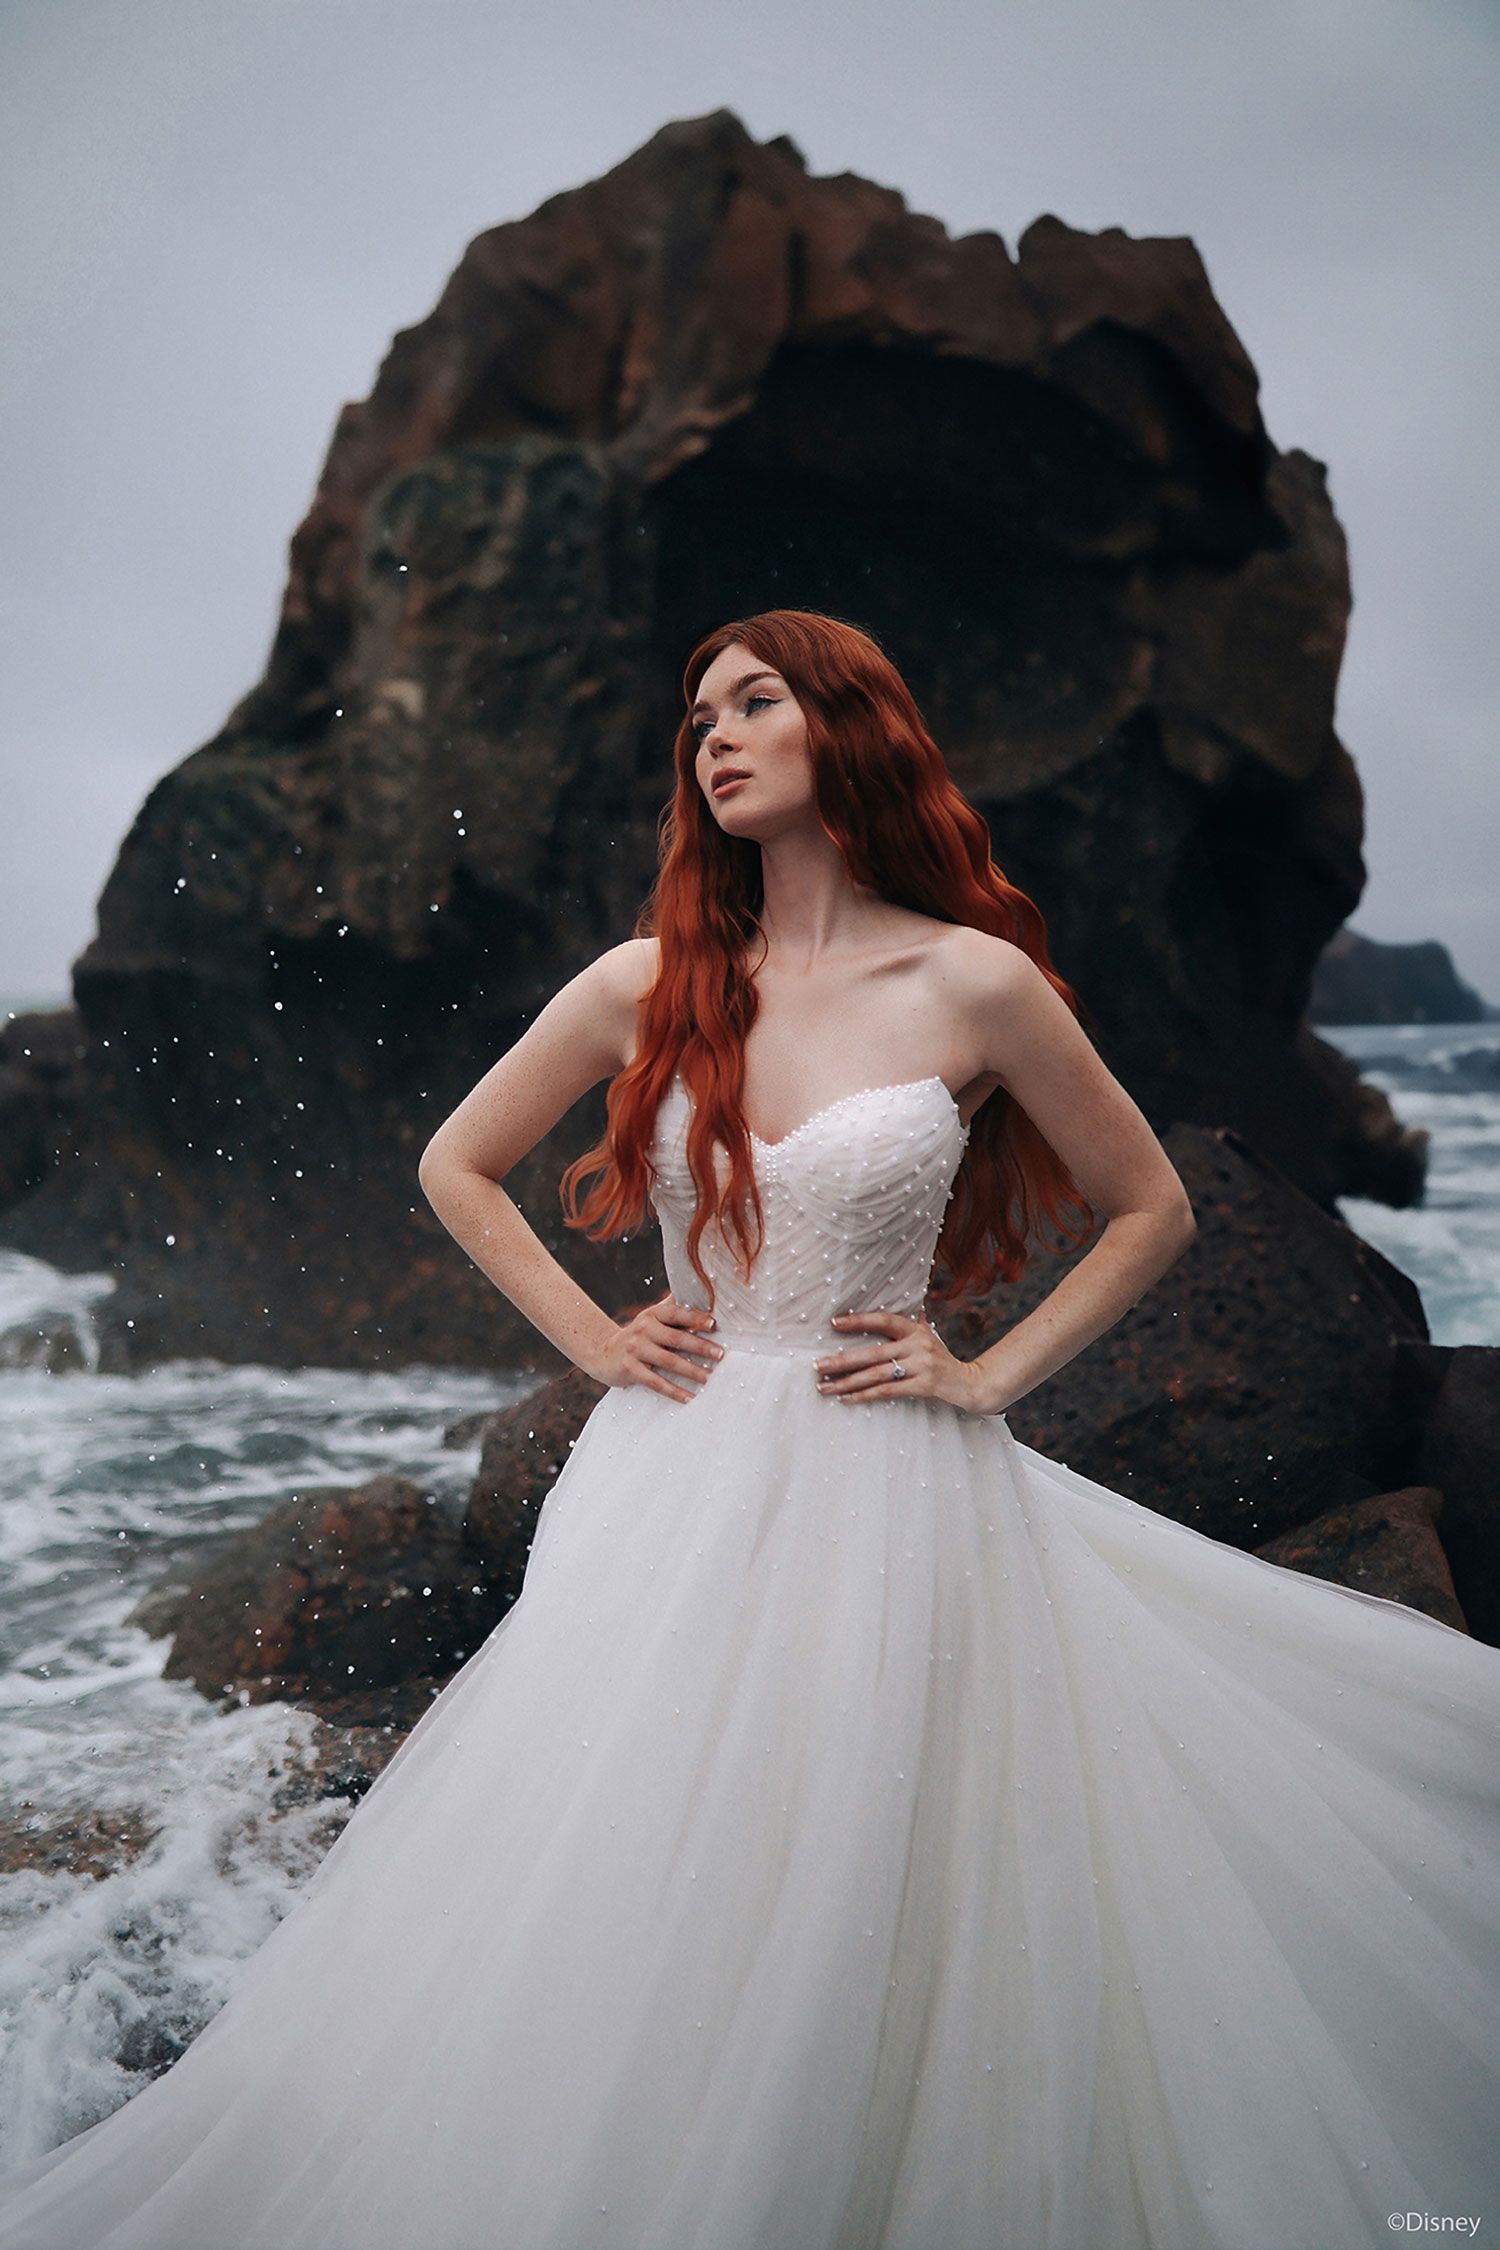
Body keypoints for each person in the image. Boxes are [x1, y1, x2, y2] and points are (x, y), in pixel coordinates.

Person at [1, 608, 1496, 2250]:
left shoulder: (974, 979)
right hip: (675, 1473)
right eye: (700, 713)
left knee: (885, 1853)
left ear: (844, 725)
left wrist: (991, 1374)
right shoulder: (650, 981)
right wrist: (596, 1340)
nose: (714, 734)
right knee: (645, 1850)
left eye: (754, 701)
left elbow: (1153, 1205)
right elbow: (456, 1164)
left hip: (895, 1478)